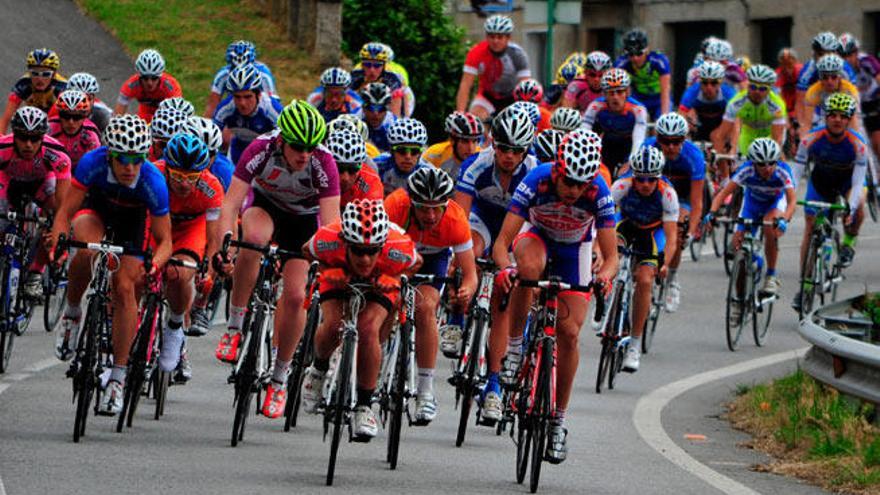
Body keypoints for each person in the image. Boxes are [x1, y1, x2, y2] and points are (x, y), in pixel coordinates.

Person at [487, 129, 618, 463]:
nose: (574, 191)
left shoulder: (598, 191)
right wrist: (505, 270)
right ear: (557, 172)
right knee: (527, 270)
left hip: (575, 249)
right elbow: (503, 243)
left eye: (581, 184)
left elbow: (612, 257)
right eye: (569, 183)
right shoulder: (537, 179)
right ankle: (515, 348)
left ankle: (558, 421)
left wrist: (603, 277)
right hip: (538, 238)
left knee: (570, 334)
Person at [213, 101, 340, 420]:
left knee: (297, 296)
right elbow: (230, 205)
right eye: (298, 147)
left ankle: (280, 378)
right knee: (252, 241)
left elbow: (330, 227)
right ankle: (235, 325)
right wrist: (225, 246)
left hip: (303, 223)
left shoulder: (324, 162)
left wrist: (325, 267)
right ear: (282, 140)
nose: (304, 155)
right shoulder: (260, 148)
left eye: (310, 148)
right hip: (265, 207)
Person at [46, 115, 172, 415]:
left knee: (125, 288)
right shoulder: (93, 162)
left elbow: (165, 240)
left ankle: (117, 376)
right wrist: (58, 241)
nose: (130, 168)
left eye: (137, 160)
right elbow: (66, 211)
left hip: (132, 224)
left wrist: (155, 263)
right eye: (123, 160)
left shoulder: (153, 180)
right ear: (110, 155)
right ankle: (73, 313)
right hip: (97, 212)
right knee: (84, 250)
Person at [300, 199, 419, 440]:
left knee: (367, 329)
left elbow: (416, 263)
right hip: (338, 275)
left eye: (372, 251)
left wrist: (395, 277)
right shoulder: (328, 238)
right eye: (358, 251)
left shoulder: (397, 247)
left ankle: (364, 405)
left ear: (382, 246)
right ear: (345, 243)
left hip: (382, 281)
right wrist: (325, 269)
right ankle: (318, 369)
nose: (365, 259)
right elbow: (306, 251)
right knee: (333, 325)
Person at [383, 167, 477, 424]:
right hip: (396, 254)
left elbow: (470, 273)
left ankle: (425, 391)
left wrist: (466, 290)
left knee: (425, 309)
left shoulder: (456, 219)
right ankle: (377, 362)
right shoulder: (395, 206)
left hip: (434, 259)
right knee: (386, 302)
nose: (431, 215)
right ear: (411, 202)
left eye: (437, 207)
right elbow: (377, 254)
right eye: (423, 208)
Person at [151, 134, 224, 375]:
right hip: (156, 225)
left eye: (192, 177)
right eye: (179, 176)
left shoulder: (211, 188)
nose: (184, 184)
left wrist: (209, 272)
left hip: (190, 229)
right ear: (167, 167)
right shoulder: (153, 174)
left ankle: (174, 326)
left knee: (181, 274)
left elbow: (213, 240)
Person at [792, 93, 867, 312]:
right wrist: (790, 197)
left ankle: (849, 242)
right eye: (832, 115)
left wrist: (850, 208)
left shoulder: (857, 144)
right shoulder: (810, 139)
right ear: (825, 117)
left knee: (860, 201)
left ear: (848, 119)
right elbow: (796, 172)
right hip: (821, 183)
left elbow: (859, 180)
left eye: (842, 116)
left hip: (847, 183)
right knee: (810, 225)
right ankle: (805, 286)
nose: (837, 120)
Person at [611, 145, 678, 371]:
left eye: (651, 180)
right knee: (612, 251)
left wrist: (665, 263)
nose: (645, 184)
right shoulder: (621, 185)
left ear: (658, 178)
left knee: (645, 279)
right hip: (626, 224)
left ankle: (634, 345)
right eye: (640, 179)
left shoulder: (668, 194)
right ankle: (607, 301)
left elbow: (671, 238)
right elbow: (603, 221)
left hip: (652, 233)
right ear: (633, 176)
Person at [706, 138, 795, 301]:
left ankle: (771, 276)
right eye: (761, 164)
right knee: (738, 248)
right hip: (752, 204)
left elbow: (792, 201)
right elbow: (724, 194)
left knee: (770, 228)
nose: (767, 168)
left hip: (774, 204)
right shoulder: (746, 170)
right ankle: (739, 302)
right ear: (753, 163)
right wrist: (711, 213)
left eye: (771, 163)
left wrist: (785, 219)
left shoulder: (783, 171)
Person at [0, 107, 72, 300]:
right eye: (23, 137)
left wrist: (56, 228)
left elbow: (63, 204)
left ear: (43, 137)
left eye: (35, 138)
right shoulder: (2, 148)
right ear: (14, 135)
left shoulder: (57, 153)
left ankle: (35, 273)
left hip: (41, 184)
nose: (28, 145)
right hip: (9, 181)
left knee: (53, 218)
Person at [643, 113, 705, 312]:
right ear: (657, 139)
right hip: (655, 194)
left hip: (682, 198)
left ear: (684, 139)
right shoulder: (647, 148)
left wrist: (690, 231)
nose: (670, 146)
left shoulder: (694, 156)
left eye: (676, 141)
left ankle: (673, 277)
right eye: (665, 141)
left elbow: (697, 202)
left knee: (678, 231)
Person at [712, 64, 787, 182]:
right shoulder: (736, 102)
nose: (757, 91)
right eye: (752, 87)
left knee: (773, 156)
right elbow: (722, 135)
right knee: (743, 167)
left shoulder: (776, 105)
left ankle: (785, 184)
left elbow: (776, 139)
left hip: (769, 133)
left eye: (762, 89)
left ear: (769, 89)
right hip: (749, 133)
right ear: (747, 85)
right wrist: (725, 157)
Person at [455, 15, 531, 121]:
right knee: (476, 116)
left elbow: (526, 86)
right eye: (492, 36)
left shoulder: (517, 54)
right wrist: (460, 113)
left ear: (508, 38)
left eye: (500, 37)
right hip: (488, 96)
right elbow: (466, 84)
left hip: (512, 97)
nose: (495, 41)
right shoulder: (476, 52)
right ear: (486, 37)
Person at [582, 68, 648, 177]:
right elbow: (584, 132)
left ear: (627, 92)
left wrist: (630, 162)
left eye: (619, 92)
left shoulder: (638, 109)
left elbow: (638, 140)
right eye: (611, 93)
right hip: (608, 143)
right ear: (604, 94)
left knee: (627, 174)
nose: (615, 97)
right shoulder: (595, 106)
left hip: (629, 143)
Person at [212, 63, 283, 165]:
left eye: (248, 96)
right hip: (239, 151)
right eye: (237, 97)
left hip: (267, 153)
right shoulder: (225, 108)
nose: (242, 103)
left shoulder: (272, 109)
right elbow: (211, 138)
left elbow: (287, 143)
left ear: (258, 95)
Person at [204, 40, 276, 118]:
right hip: (233, 108)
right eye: (234, 69)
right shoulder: (222, 75)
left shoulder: (264, 75)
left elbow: (273, 103)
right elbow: (212, 105)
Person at [0, 49, 67, 133]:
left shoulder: (62, 86)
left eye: (46, 74)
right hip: (34, 119)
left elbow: (69, 117)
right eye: (35, 74)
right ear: (29, 73)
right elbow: (6, 117)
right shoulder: (23, 84)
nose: (40, 79)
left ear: (54, 74)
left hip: (57, 120)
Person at [838, 33, 880, 165]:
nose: (847, 60)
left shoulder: (866, 61)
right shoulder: (838, 69)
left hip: (874, 102)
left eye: (850, 55)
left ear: (856, 53)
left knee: (877, 143)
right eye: (843, 56)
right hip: (855, 105)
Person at [614, 29, 671, 120]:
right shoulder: (622, 63)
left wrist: (664, 117)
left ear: (647, 50)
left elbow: (665, 90)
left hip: (658, 98)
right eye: (631, 54)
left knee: (661, 123)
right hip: (639, 97)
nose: (635, 58)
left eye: (639, 53)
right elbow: (622, 91)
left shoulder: (659, 61)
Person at [115, 49, 182, 123]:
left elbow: (178, 114)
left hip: (165, 116)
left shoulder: (171, 86)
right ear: (139, 76)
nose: (149, 83)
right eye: (145, 78)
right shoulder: (131, 85)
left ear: (160, 76)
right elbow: (118, 115)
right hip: (144, 115)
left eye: (154, 78)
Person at [678, 61, 737, 142]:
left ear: (720, 83)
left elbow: (737, 122)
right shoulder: (692, 92)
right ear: (700, 82)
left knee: (718, 136)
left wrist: (733, 148)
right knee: (688, 118)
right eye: (705, 83)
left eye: (714, 83)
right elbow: (681, 116)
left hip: (721, 125)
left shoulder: (729, 93)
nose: (709, 87)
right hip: (700, 125)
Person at [800, 54, 861, 132]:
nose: (829, 81)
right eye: (825, 77)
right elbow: (807, 123)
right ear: (820, 78)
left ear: (839, 77)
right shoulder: (813, 92)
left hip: (846, 116)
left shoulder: (849, 90)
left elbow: (853, 121)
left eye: (834, 77)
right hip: (825, 116)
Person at [325, 129, 382, 209]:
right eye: (339, 168)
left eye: (353, 169)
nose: (345, 178)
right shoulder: (318, 173)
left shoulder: (369, 182)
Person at [421, 111, 483, 181]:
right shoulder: (434, 154)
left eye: (475, 141)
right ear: (452, 140)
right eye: (465, 141)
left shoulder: (482, 157)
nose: (471, 148)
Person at [374, 118, 429, 196]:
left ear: (420, 153)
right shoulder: (378, 165)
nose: (408, 156)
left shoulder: (428, 173)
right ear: (391, 151)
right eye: (402, 150)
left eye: (414, 151)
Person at [350, 42, 406, 117]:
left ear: (384, 66)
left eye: (377, 65)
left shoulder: (393, 79)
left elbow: (395, 113)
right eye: (367, 65)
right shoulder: (355, 75)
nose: (372, 70)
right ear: (362, 65)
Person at [49, 90, 101, 169]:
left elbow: (93, 163)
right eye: (66, 116)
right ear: (59, 115)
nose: (71, 122)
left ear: (84, 117)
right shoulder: (49, 128)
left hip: (81, 170)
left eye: (77, 117)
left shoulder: (91, 134)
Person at [359, 82, 396, 153]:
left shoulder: (393, 124)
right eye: (371, 108)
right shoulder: (355, 118)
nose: (376, 114)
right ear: (363, 108)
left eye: (381, 109)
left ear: (387, 110)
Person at [775, 48, 803, 117]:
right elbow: (777, 94)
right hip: (785, 108)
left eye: (789, 65)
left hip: (801, 108)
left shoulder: (801, 71)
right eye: (784, 65)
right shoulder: (777, 74)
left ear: (795, 62)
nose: (787, 69)